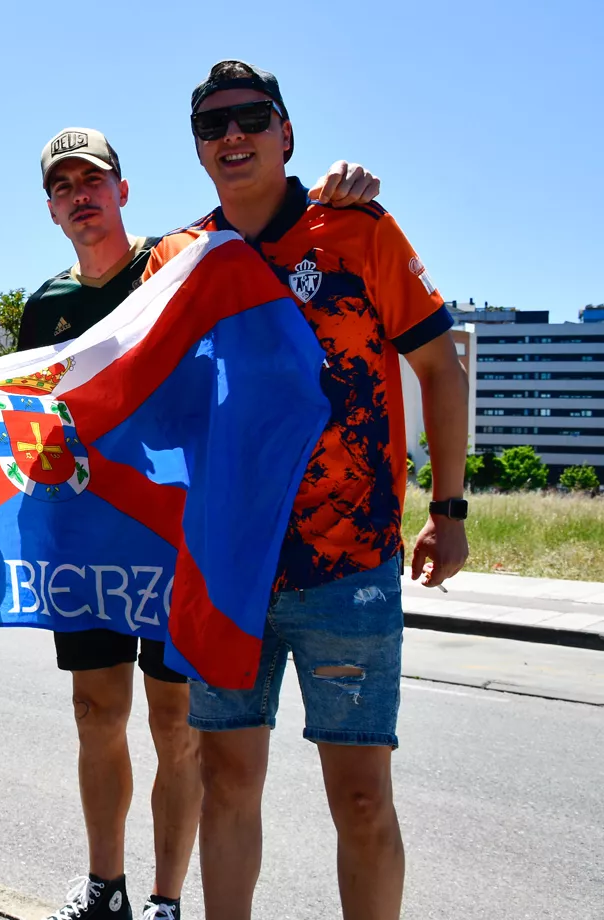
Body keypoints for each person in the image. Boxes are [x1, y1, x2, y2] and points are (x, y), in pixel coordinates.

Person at [23, 129, 382, 920]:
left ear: (123, 190)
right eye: (63, 187)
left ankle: (165, 897)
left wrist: (332, 189)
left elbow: (266, 236)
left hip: (178, 534)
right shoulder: (44, 307)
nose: (80, 196)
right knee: (94, 714)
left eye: (94, 180)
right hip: (88, 541)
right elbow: (30, 420)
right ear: (50, 208)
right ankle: (105, 885)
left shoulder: (183, 262)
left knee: (174, 719)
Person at [143, 60, 470, 920]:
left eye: (252, 118)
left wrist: (449, 508)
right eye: (213, 127)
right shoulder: (180, 261)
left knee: (362, 797)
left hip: (349, 566)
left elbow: (440, 365)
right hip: (225, 570)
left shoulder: (360, 231)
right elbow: (140, 401)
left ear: (287, 133)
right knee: (226, 781)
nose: (233, 136)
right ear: (199, 151)